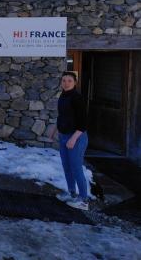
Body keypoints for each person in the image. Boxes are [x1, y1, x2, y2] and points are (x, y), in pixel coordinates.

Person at [50, 71, 89, 211]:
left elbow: (83, 123)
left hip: (76, 137)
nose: (66, 83)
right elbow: (63, 115)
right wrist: (55, 129)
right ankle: (72, 194)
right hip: (63, 135)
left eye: (69, 81)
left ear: (75, 83)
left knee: (76, 167)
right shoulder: (63, 95)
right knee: (67, 166)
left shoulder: (77, 98)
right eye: (64, 80)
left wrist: (73, 139)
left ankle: (84, 200)